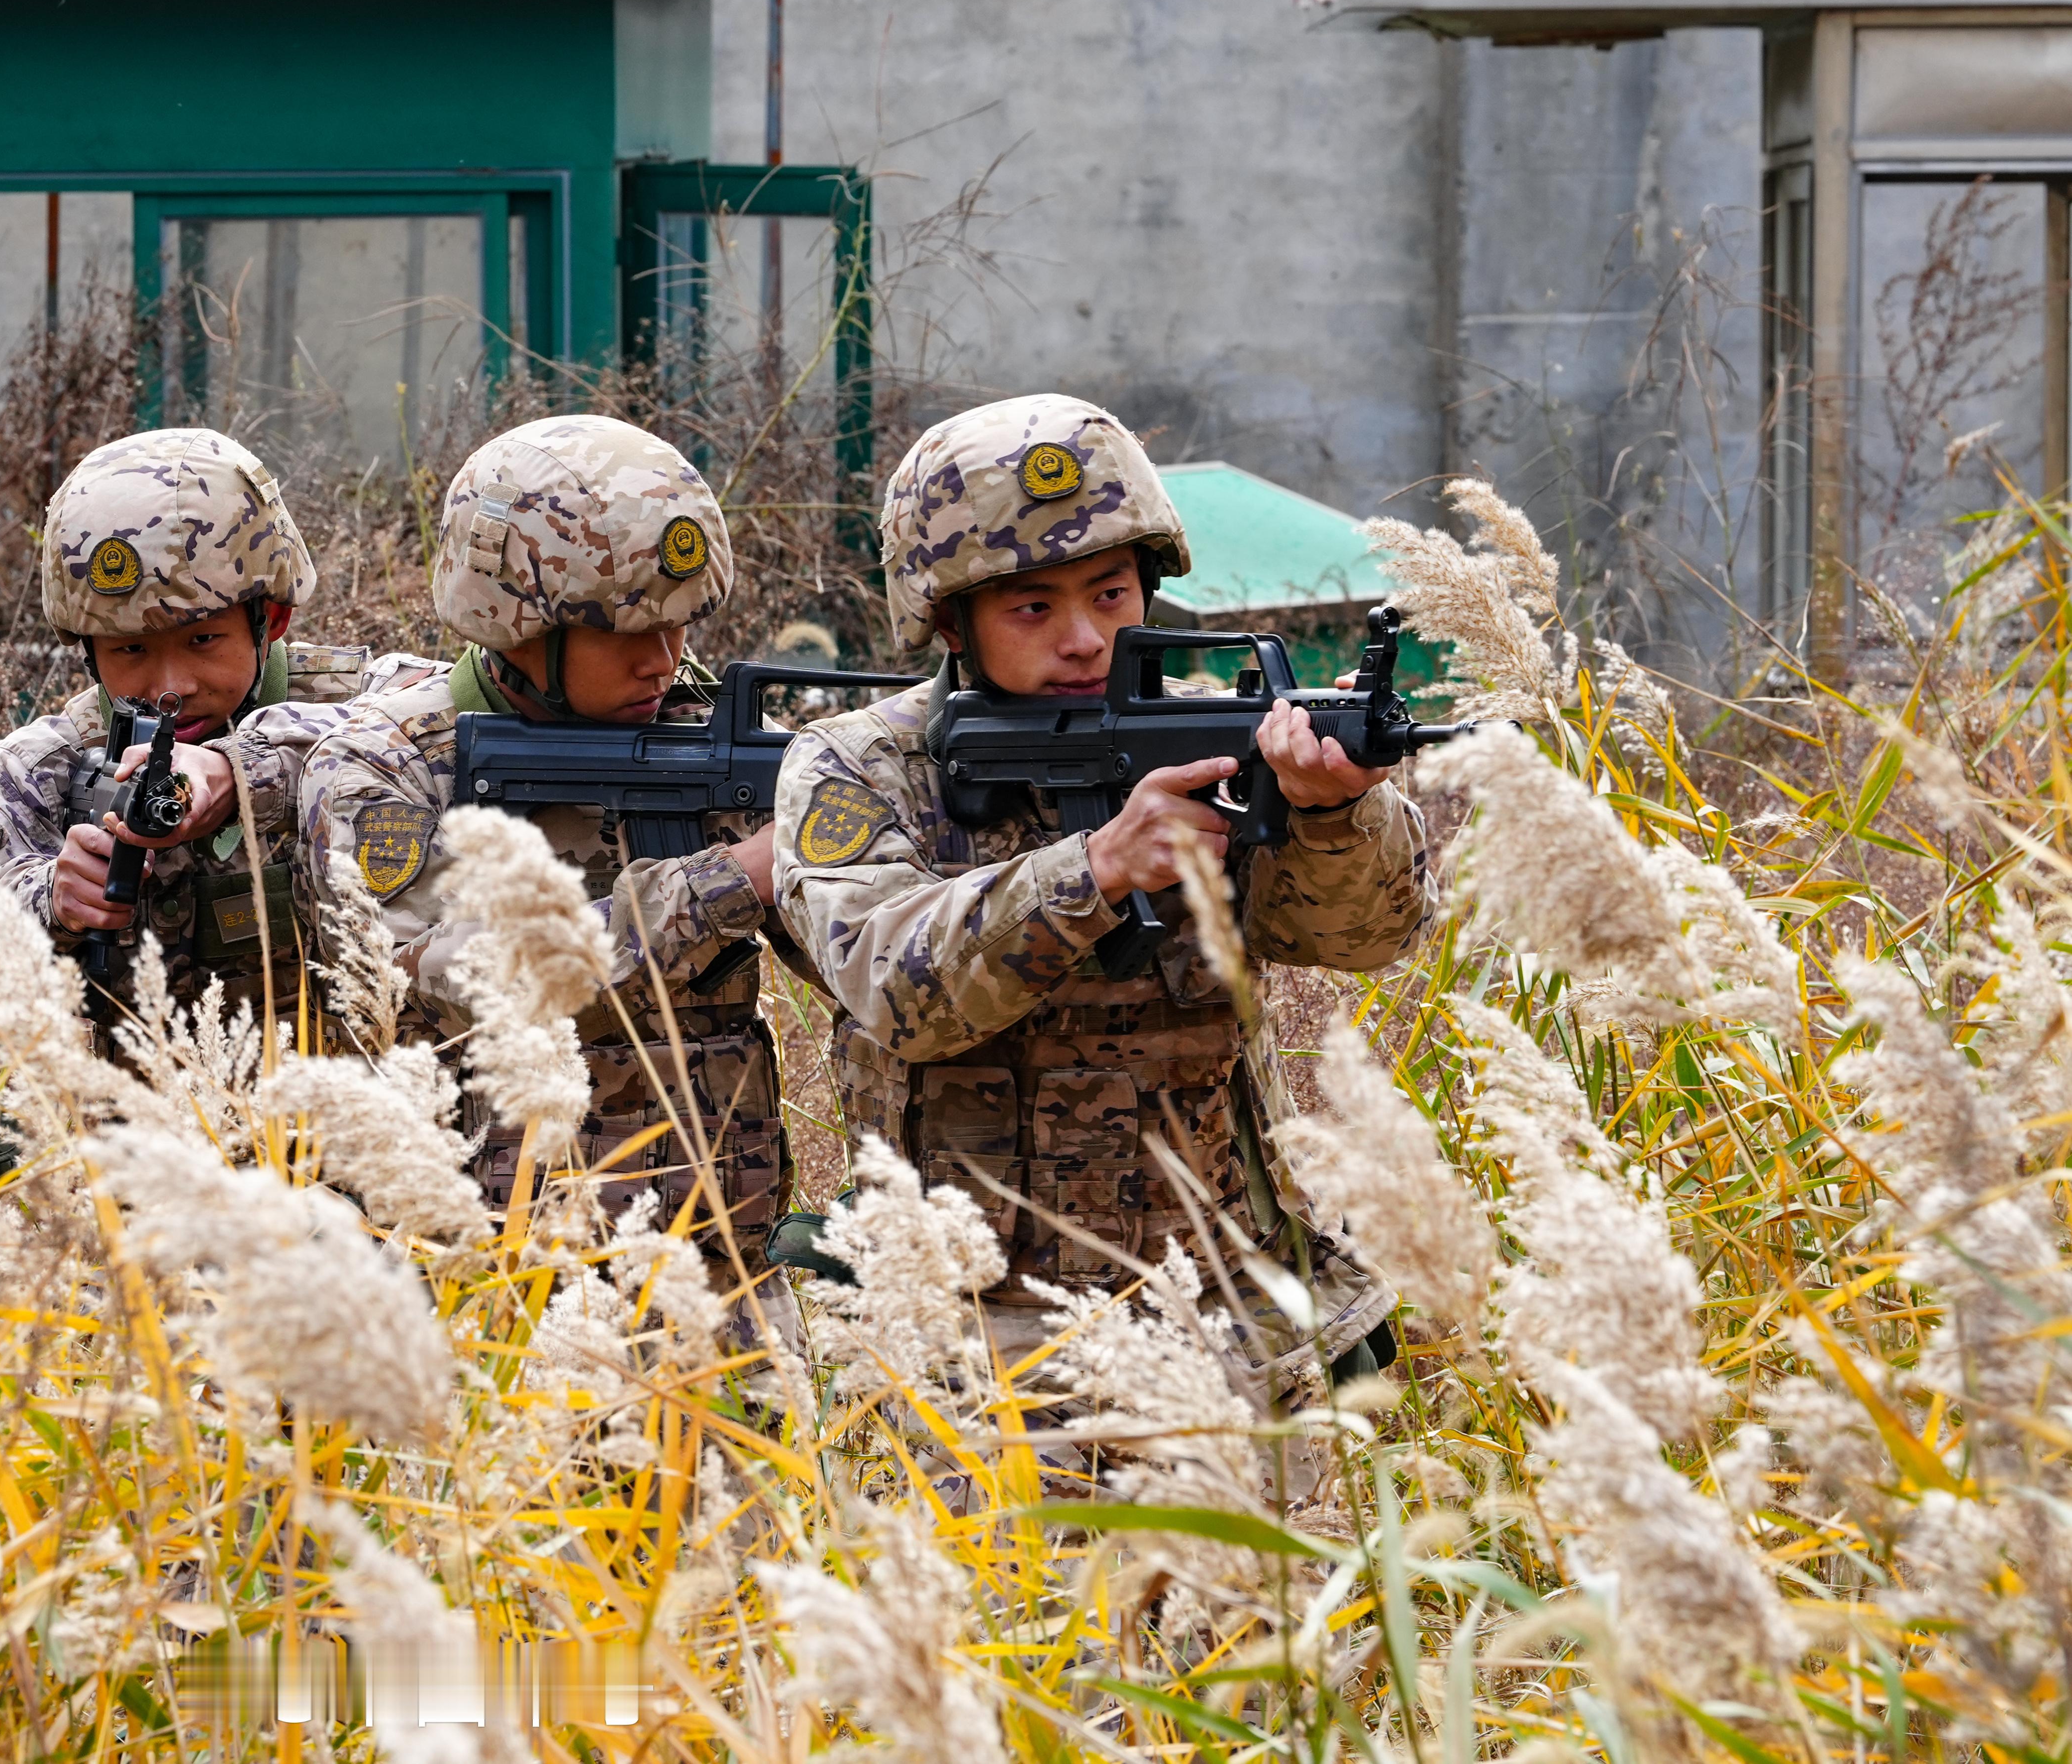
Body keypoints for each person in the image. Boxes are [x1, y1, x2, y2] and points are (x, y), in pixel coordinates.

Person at [769, 393, 1429, 1378]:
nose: (1083, 638)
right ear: (951, 622)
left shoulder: (1219, 734)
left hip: (1239, 1309)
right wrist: (1095, 870)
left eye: (1111, 594)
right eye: (1034, 607)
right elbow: (889, 993)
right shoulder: (858, 767)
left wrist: (1332, 811)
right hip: (978, 1341)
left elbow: (1368, 939)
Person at [293, 414, 802, 1266]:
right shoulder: (382, 768)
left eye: (679, 625)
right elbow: (440, 983)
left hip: (710, 1275)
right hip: (466, 1276)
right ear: (517, 623)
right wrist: (728, 881)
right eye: (627, 630)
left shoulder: (717, 741)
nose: (664, 660)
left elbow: (875, 969)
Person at [0, 428, 439, 1025]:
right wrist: (51, 896)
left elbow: (456, 721)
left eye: (203, 640)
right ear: (87, 650)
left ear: (273, 618)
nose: (169, 687)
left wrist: (249, 767)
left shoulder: (371, 699)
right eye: (130, 649)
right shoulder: (48, 766)